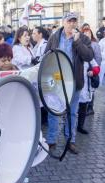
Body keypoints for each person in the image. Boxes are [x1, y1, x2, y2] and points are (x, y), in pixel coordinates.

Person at [44, 12, 94, 154]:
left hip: (74, 81)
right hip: (57, 80)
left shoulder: (83, 38)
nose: (72, 24)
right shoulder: (54, 37)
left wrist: (77, 42)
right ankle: (51, 141)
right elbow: (47, 56)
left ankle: (70, 140)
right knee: (53, 111)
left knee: (72, 112)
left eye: (74, 21)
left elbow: (89, 56)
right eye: (69, 21)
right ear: (63, 22)